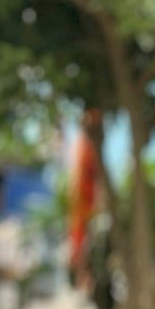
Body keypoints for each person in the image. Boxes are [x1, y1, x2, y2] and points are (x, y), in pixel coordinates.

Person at [67, 106, 104, 293]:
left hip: (88, 205)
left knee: (83, 241)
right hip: (85, 205)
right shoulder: (83, 146)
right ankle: (85, 277)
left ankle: (85, 276)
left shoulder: (85, 146)